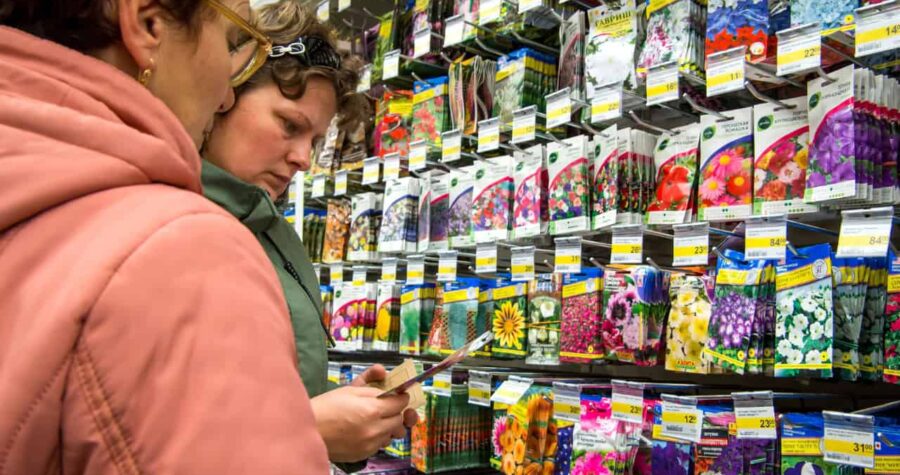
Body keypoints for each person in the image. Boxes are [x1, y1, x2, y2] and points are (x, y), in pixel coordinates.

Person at [0, 1, 379, 472]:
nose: (221, 91)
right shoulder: (179, 247)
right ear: (148, 23)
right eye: (231, 39)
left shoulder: (36, 178)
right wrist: (308, 427)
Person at [202, 0, 416, 465]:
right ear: (224, 91)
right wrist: (308, 428)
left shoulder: (273, 231)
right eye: (289, 125)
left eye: (316, 140)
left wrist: (342, 416)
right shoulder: (164, 223)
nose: (304, 158)